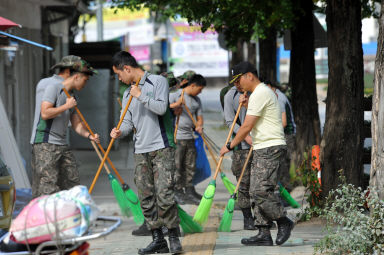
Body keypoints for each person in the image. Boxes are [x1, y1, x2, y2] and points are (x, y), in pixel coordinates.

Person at [110, 51, 182, 254]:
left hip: (161, 146)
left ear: (126, 68)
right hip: (140, 150)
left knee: (165, 195)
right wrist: (119, 131)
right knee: (146, 196)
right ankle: (158, 238)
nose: (119, 79)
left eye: (118, 74)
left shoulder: (157, 81)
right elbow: (127, 122)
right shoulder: (126, 93)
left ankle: (174, 235)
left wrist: (140, 96)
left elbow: (161, 108)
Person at [220, 61, 294, 246]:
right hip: (263, 145)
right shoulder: (258, 95)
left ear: (249, 76)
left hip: (271, 146)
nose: (237, 85)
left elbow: (246, 126)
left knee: (260, 190)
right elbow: (261, 118)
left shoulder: (261, 93)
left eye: (238, 80)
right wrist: (245, 107)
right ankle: (263, 232)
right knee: (256, 190)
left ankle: (284, 220)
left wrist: (230, 145)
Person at [30, 57, 99, 198]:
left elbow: (76, 124)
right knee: (48, 187)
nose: (86, 84)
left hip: (61, 144)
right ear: (77, 76)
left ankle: (71, 214)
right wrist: (66, 106)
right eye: (85, 80)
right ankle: (47, 218)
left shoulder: (72, 96)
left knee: (73, 183)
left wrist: (89, 136)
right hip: (45, 143)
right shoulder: (52, 87)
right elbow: (45, 113)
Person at [169, 74, 206, 205]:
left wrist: (200, 125)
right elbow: (165, 108)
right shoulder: (177, 94)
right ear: (193, 85)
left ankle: (189, 190)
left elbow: (199, 117)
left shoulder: (197, 100)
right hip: (177, 137)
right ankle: (177, 191)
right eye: (199, 89)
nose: (200, 92)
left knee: (190, 165)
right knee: (178, 165)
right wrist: (177, 105)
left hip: (190, 136)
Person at [223, 79, 255, 230]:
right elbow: (230, 121)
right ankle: (248, 218)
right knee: (243, 183)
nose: (236, 84)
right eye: (234, 82)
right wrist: (245, 137)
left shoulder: (257, 92)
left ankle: (264, 217)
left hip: (261, 144)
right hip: (241, 147)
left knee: (260, 184)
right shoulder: (230, 95)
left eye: (238, 80)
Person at [266, 81, 296, 192]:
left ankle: (286, 192)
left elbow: (284, 123)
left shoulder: (278, 98)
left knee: (283, 165)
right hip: (284, 134)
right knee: (282, 164)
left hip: (286, 135)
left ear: (269, 86)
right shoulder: (276, 96)